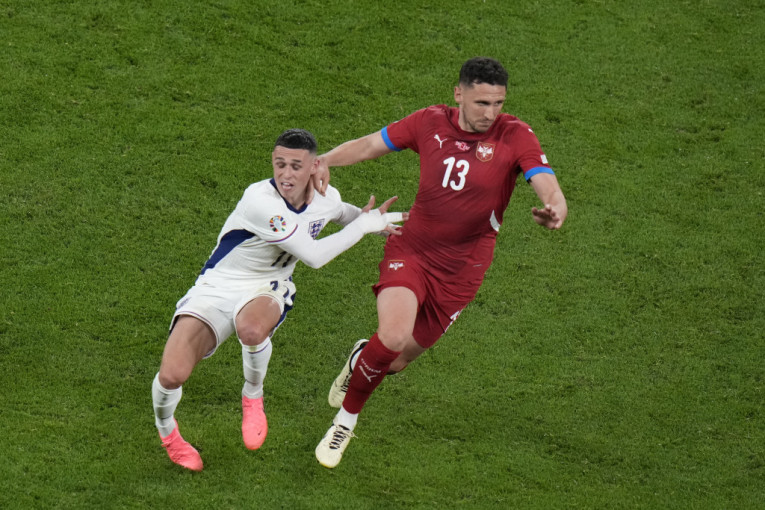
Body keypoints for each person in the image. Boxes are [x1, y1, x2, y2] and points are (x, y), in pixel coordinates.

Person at [313, 57, 568, 468]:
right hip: (412, 251)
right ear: (458, 94)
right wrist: (323, 160)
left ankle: (362, 357)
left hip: (462, 273)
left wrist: (555, 208)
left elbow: (545, 181)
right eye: (482, 102)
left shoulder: (514, 134)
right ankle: (344, 423)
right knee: (393, 337)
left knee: (394, 362)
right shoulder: (429, 122)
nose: (490, 113)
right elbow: (371, 145)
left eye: (498, 103)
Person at [151, 128, 406, 471]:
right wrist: (362, 227)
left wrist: (367, 219)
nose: (286, 174)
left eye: (296, 166)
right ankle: (169, 435)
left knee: (252, 329)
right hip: (218, 285)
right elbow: (314, 256)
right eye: (279, 164)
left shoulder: (326, 196)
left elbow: (336, 212)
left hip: (267, 286)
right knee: (172, 375)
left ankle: (252, 395)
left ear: (314, 166)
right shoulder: (261, 202)